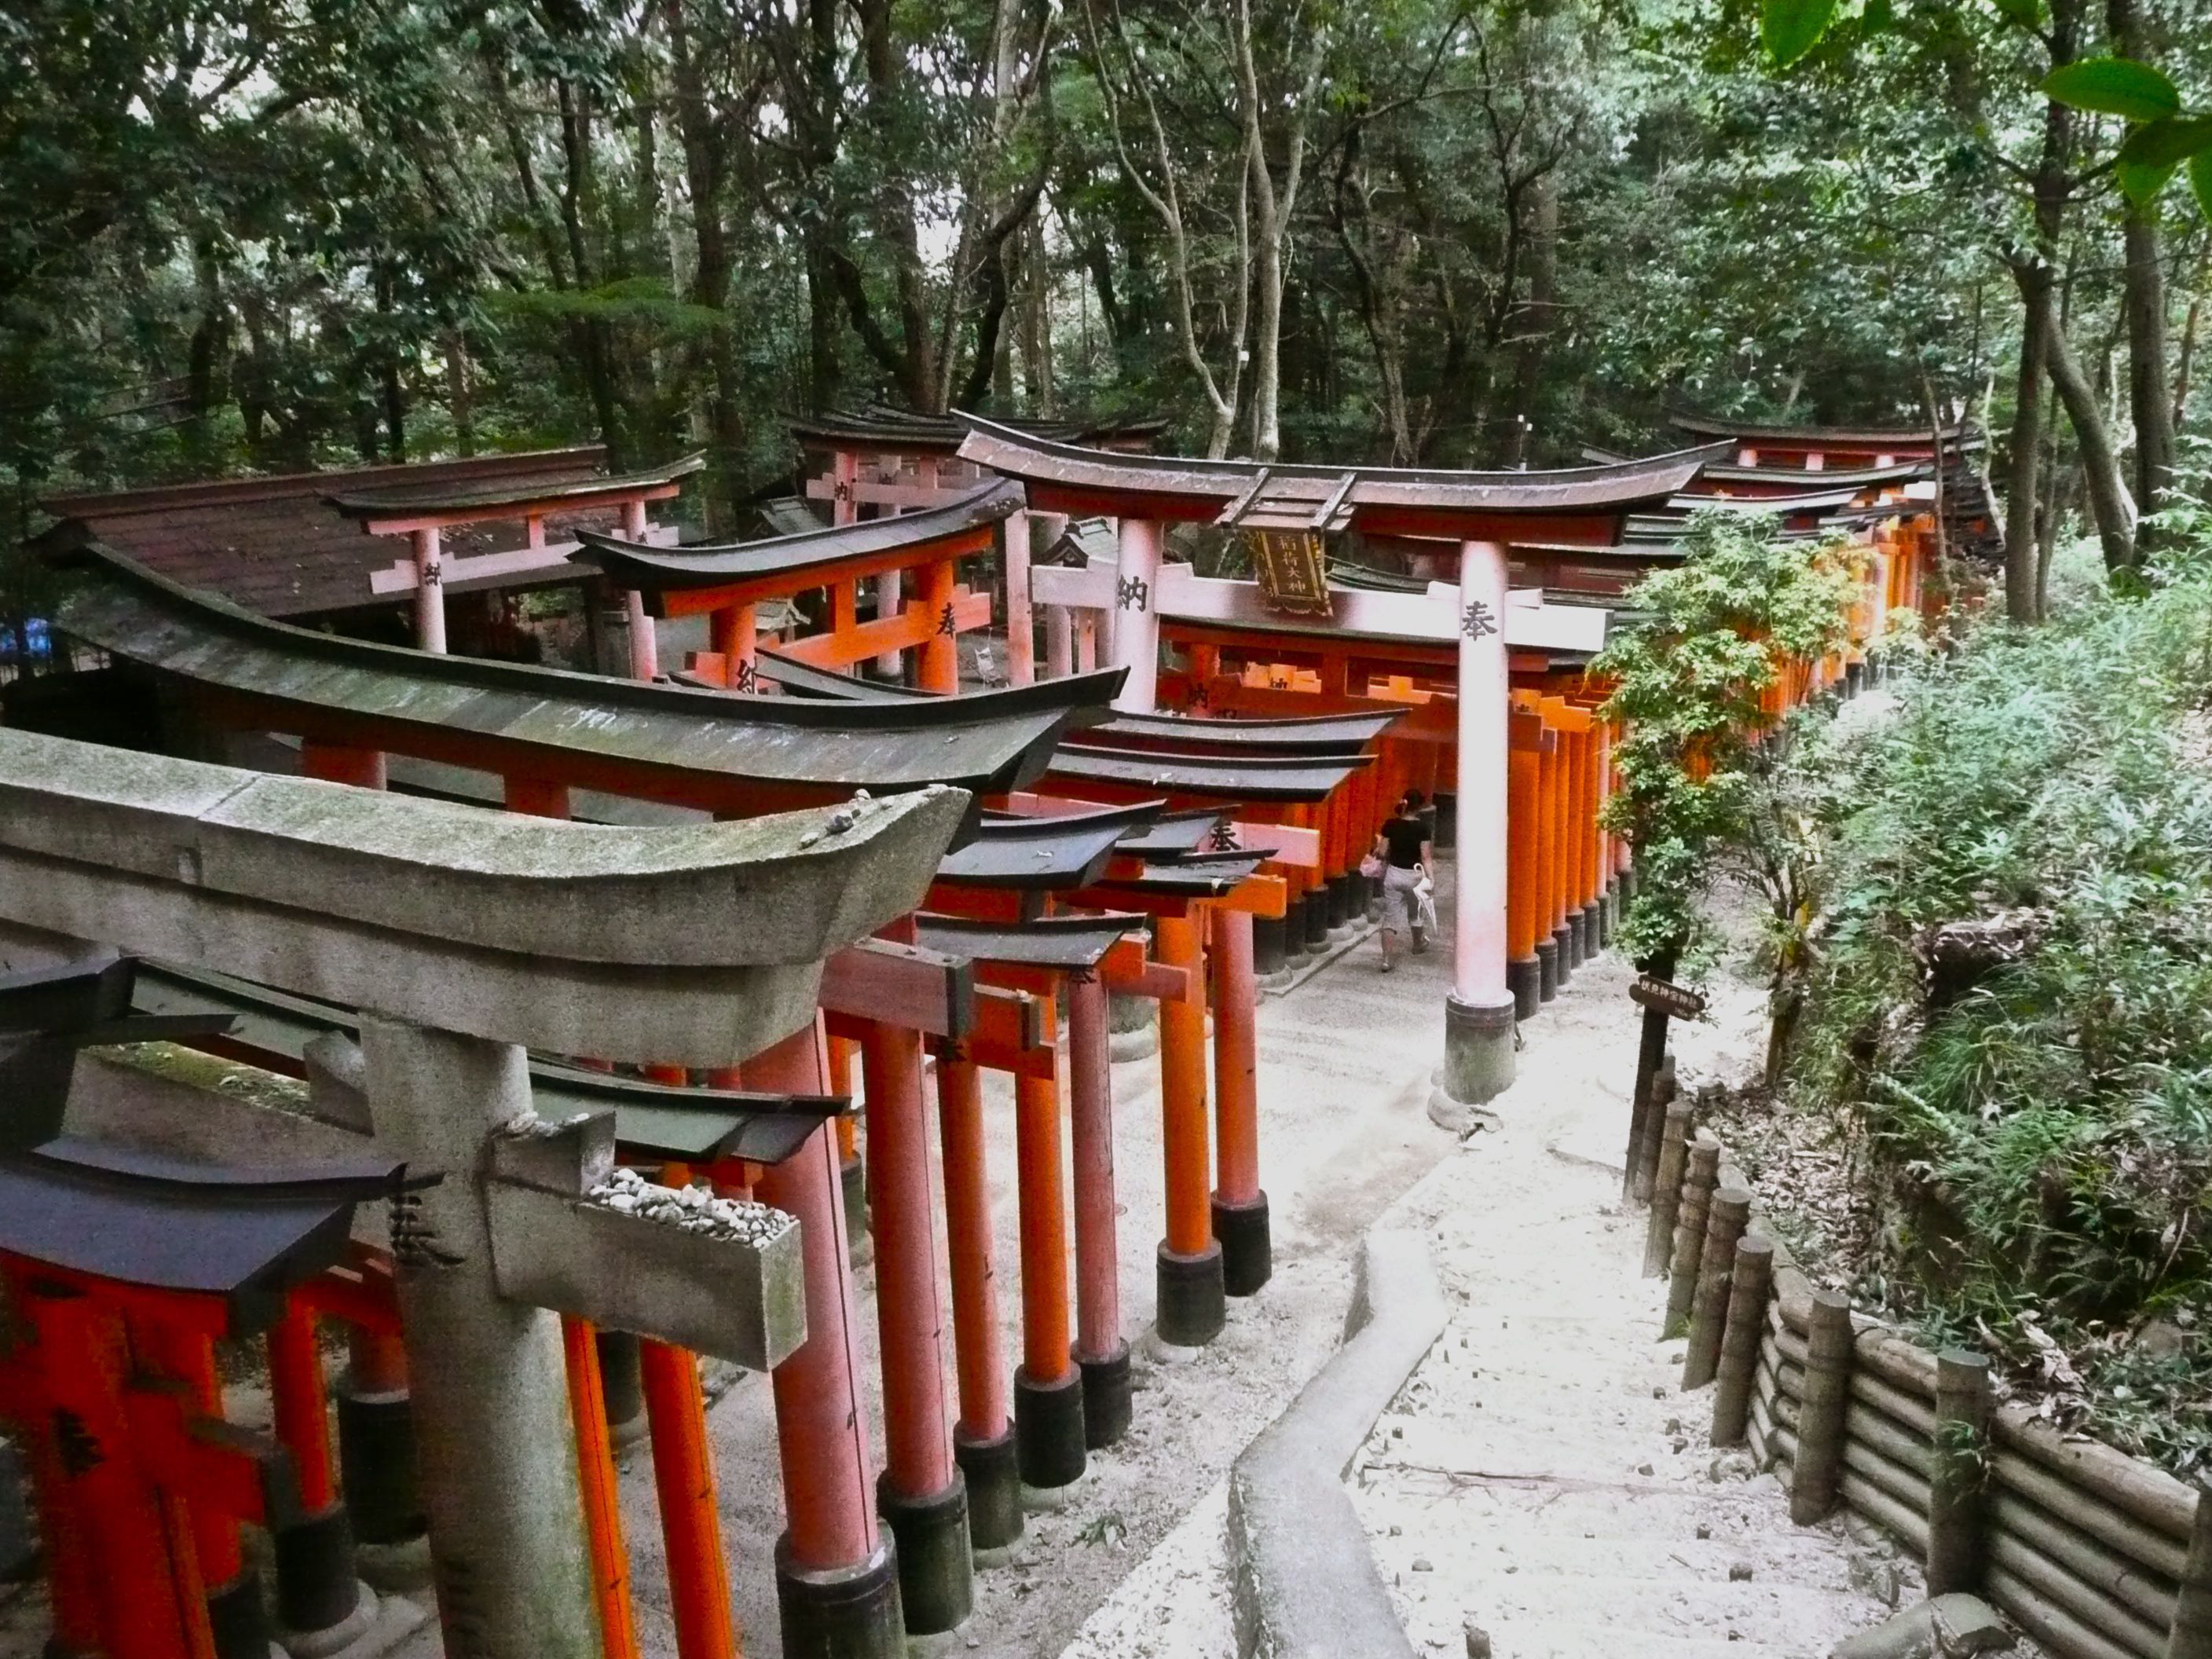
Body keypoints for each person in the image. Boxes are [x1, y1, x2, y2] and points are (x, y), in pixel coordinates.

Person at [1372, 789, 1434, 972]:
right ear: (1420, 807)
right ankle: (1418, 944)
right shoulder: (1423, 828)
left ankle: (1386, 960)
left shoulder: (1391, 824)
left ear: (1403, 803)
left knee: (1390, 918)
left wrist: (1378, 847)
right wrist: (1431, 879)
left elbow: (1382, 853)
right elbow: (1426, 857)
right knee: (1415, 914)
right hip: (1415, 875)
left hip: (1394, 874)